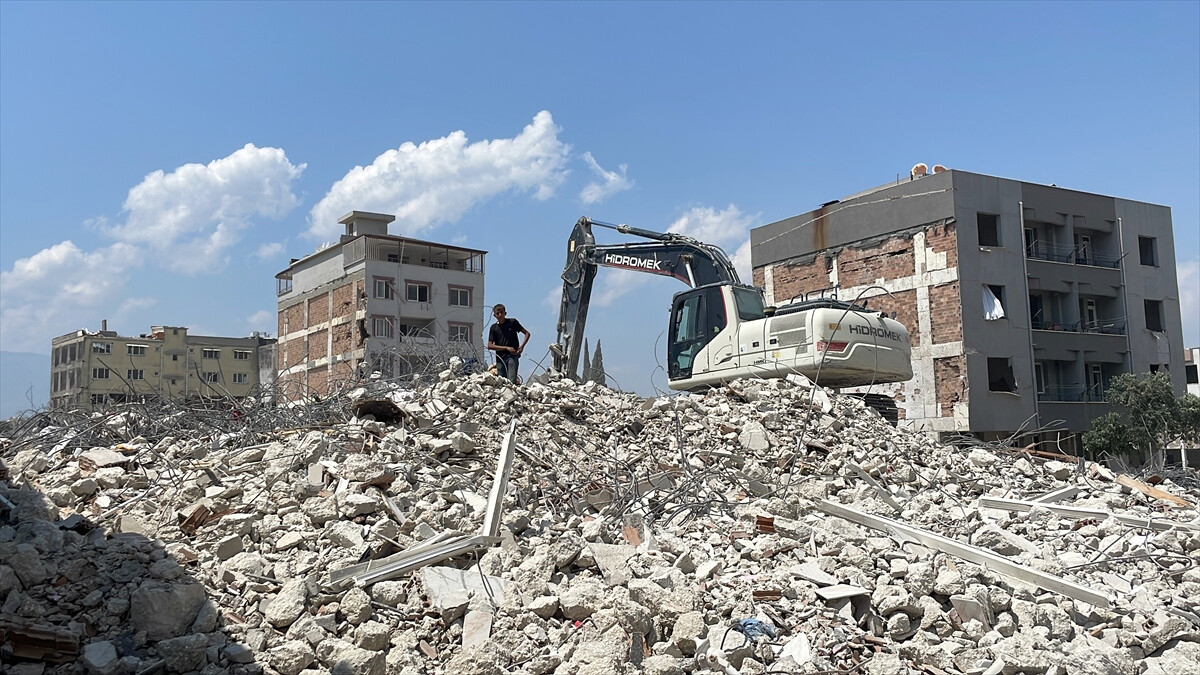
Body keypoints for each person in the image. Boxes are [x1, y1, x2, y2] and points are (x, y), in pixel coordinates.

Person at [487, 304, 530, 384]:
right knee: (502, 382)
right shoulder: (494, 328)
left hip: (512, 356)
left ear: (505, 313)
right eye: (497, 313)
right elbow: (490, 345)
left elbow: (527, 333)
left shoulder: (512, 322)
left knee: (511, 381)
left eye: (501, 312)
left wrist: (522, 347)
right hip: (500, 358)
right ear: (494, 315)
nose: (500, 315)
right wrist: (506, 348)